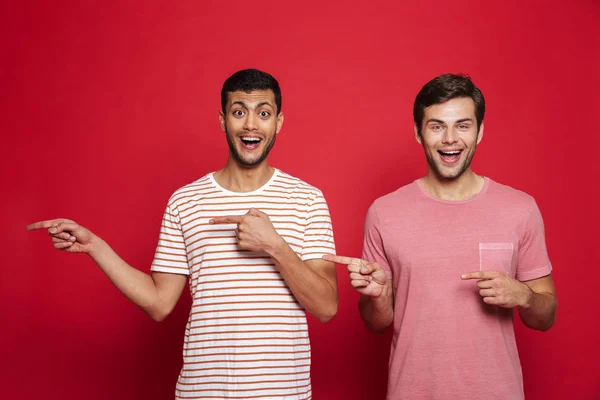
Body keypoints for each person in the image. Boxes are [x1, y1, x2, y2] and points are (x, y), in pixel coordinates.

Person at [28, 68, 338, 399]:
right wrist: (96, 247)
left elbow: (326, 306)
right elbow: (159, 303)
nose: (251, 124)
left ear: (278, 123)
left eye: (263, 113)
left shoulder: (307, 199)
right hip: (202, 392)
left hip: (282, 393)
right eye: (239, 112)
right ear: (223, 121)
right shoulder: (185, 201)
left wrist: (274, 245)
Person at [325, 74, 557, 400]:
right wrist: (379, 296)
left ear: (480, 132)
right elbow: (376, 324)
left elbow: (546, 316)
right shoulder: (384, 212)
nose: (450, 138)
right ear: (419, 133)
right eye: (437, 126)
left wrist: (525, 296)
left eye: (462, 125)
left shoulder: (520, 209)